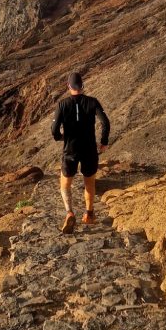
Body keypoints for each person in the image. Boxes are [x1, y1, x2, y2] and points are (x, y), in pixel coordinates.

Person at [51, 72, 110, 233]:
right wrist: (103, 142)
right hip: (89, 149)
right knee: (89, 182)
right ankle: (89, 215)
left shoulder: (62, 105)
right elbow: (105, 122)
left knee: (65, 185)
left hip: (70, 149)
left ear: (68, 87)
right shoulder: (92, 102)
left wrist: (60, 137)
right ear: (82, 86)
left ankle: (69, 212)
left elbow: (54, 129)